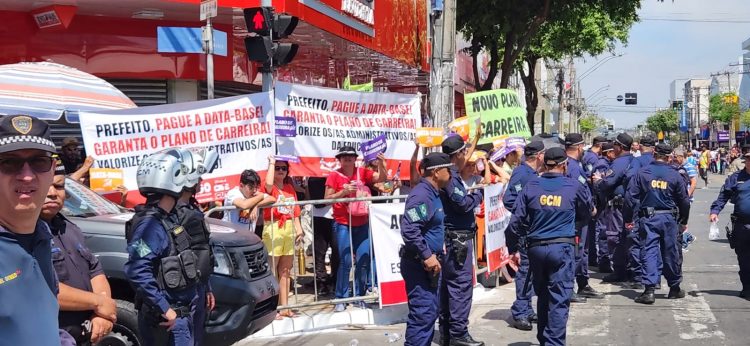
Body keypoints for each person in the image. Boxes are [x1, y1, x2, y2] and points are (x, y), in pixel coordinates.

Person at [507, 147, 593, 346]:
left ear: (545, 164)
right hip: (561, 249)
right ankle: (553, 343)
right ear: (564, 165)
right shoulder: (573, 186)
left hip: (536, 249)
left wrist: (512, 249)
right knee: (559, 299)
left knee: (543, 296)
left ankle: (544, 339)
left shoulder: (531, 185)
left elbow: (515, 222)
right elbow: (586, 212)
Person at [124, 149, 201, 345]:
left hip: (180, 316)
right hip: (169, 321)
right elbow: (137, 269)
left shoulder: (167, 219)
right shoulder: (150, 227)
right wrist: (164, 308)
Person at [0, 114, 65, 344]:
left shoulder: (42, 237)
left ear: (53, 168)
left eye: (39, 161)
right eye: (9, 162)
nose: (27, 175)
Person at [43, 157, 118, 345]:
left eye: (59, 186)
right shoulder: (21, 234)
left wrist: (102, 315)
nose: (52, 193)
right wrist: (99, 303)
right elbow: (42, 289)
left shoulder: (70, 228)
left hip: (85, 336)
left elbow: (95, 269)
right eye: (46, 186)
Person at [624, 143, 690, 304]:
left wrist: (628, 218)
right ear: (669, 157)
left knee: (649, 252)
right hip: (669, 219)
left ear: (654, 154)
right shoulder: (674, 175)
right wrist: (683, 221)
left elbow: (630, 198)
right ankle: (674, 288)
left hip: (648, 218)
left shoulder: (642, 172)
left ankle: (649, 290)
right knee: (671, 252)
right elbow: (684, 201)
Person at [325, 146, 386, 312]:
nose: (347, 159)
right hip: (343, 223)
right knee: (345, 261)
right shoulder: (334, 175)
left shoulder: (363, 172)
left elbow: (382, 178)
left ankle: (360, 296)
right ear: (339, 159)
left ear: (355, 158)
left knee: (364, 259)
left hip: (362, 222)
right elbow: (326, 199)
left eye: (350, 156)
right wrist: (343, 192)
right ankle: (341, 297)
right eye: (344, 156)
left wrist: (381, 164)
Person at [400, 153, 452, 346]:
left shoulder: (433, 193)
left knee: (429, 312)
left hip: (429, 265)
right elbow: (410, 228)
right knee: (423, 313)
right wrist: (427, 255)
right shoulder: (422, 195)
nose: (451, 175)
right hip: (419, 264)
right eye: (448, 170)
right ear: (437, 172)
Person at [437, 134, 485, 346]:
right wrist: (479, 195)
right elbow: (462, 203)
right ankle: (457, 333)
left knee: (449, 287)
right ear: (458, 154)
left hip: (453, 237)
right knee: (460, 286)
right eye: (464, 151)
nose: (466, 155)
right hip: (456, 239)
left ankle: (448, 332)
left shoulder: (449, 172)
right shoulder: (450, 177)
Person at [175, 148, 218, 345]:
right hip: (184, 288)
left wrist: (207, 286)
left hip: (199, 283)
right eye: (198, 177)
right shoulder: (174, 213)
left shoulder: (192, 208)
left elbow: (202, 250)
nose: (201, 181)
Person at [503, 141, 546, 331]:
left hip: (534, 231)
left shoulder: (532, 174)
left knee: (532, 272)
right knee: (525, 272)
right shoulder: (522, 174)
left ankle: (527, 309)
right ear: (539, 156)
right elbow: (509, 199)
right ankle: (520, 311)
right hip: (525, 231)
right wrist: (526, 212)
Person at [263, 155, 305, 318]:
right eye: (278, 168)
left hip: (288, 228)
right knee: (272, 269)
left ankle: (285, 307)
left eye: (283, 168)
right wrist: (272, 163)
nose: (281, 171)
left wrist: (299, 229)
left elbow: (295, 211)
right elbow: (267, 184)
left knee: (286, 270)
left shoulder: (289, 188)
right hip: (273, 226)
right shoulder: (270, 186)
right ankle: (272, 308)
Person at [562, 133, 601, 301]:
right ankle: (568, 289)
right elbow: (580, 193)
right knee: (575, 253)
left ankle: (583, 283)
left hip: (580, 217)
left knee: (582, 253)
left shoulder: (572, 164)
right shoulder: (572, 167)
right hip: (576, 217)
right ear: (579, 147)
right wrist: (590, 208)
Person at [593, 133, 635, 285]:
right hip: (631, 206)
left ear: (620, 147)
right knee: (629, 238)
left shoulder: (619, 162)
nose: (614, 148)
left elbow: (607, 183)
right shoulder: (634, 160)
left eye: (615, 145)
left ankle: (620, 271)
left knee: (615, 238)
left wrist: (598, 182)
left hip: (618, 207)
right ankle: (630, 269)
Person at [709, 148, 750, 299]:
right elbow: (723, 196)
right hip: (741, 225)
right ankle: (747, 287)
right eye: (749, 159)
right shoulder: (736, 177)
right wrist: (715, 211)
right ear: (745, 160)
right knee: (744, 260)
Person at [307, 175, 339, 296]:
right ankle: (322, 282)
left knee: (337, 252)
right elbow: (317, 201)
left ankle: (335, 281)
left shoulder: (337, 174)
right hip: (319, 216)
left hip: (336, 216)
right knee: (319, 252)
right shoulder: (313, 177)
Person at [582, 136, 607, 266]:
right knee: (593, 230)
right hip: (591, 195)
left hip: (591, 195)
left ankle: (592, 257)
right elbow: (590, 176)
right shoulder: (592, 157)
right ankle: (592, 258)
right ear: (600, 145)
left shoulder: (588, 155)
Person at [593, 142, 616, 272]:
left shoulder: (606, 164)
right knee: (603, 232)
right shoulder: (602, 165)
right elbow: (599, 186)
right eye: (613, 152)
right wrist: (605, 202)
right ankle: (604, 262)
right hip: (602, 205)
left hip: (603, 204)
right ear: (608, 153)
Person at [673, 148, 698, 251]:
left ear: (681, 157)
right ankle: (688, 237)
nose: (673, 159)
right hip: (678, 198)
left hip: (685, 198)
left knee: (683, 220)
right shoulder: (676, 167)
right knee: (679, 220)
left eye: (675, 157)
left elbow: (693, 182)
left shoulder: (689, 167)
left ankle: (683, 242)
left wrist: (687, 195)